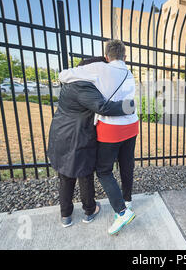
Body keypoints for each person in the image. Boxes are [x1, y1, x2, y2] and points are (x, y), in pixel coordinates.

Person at [59, 39, 138, 235]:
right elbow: (129, 102)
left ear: (106, 56)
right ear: (125, 57)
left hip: (111, 127)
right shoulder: (129, 73)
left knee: (103, 171)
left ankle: (122, 212)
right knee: (127, 164)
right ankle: (127, 200)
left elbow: (64, 75)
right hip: (132, 124)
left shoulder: (99, 68)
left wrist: (96, 64)